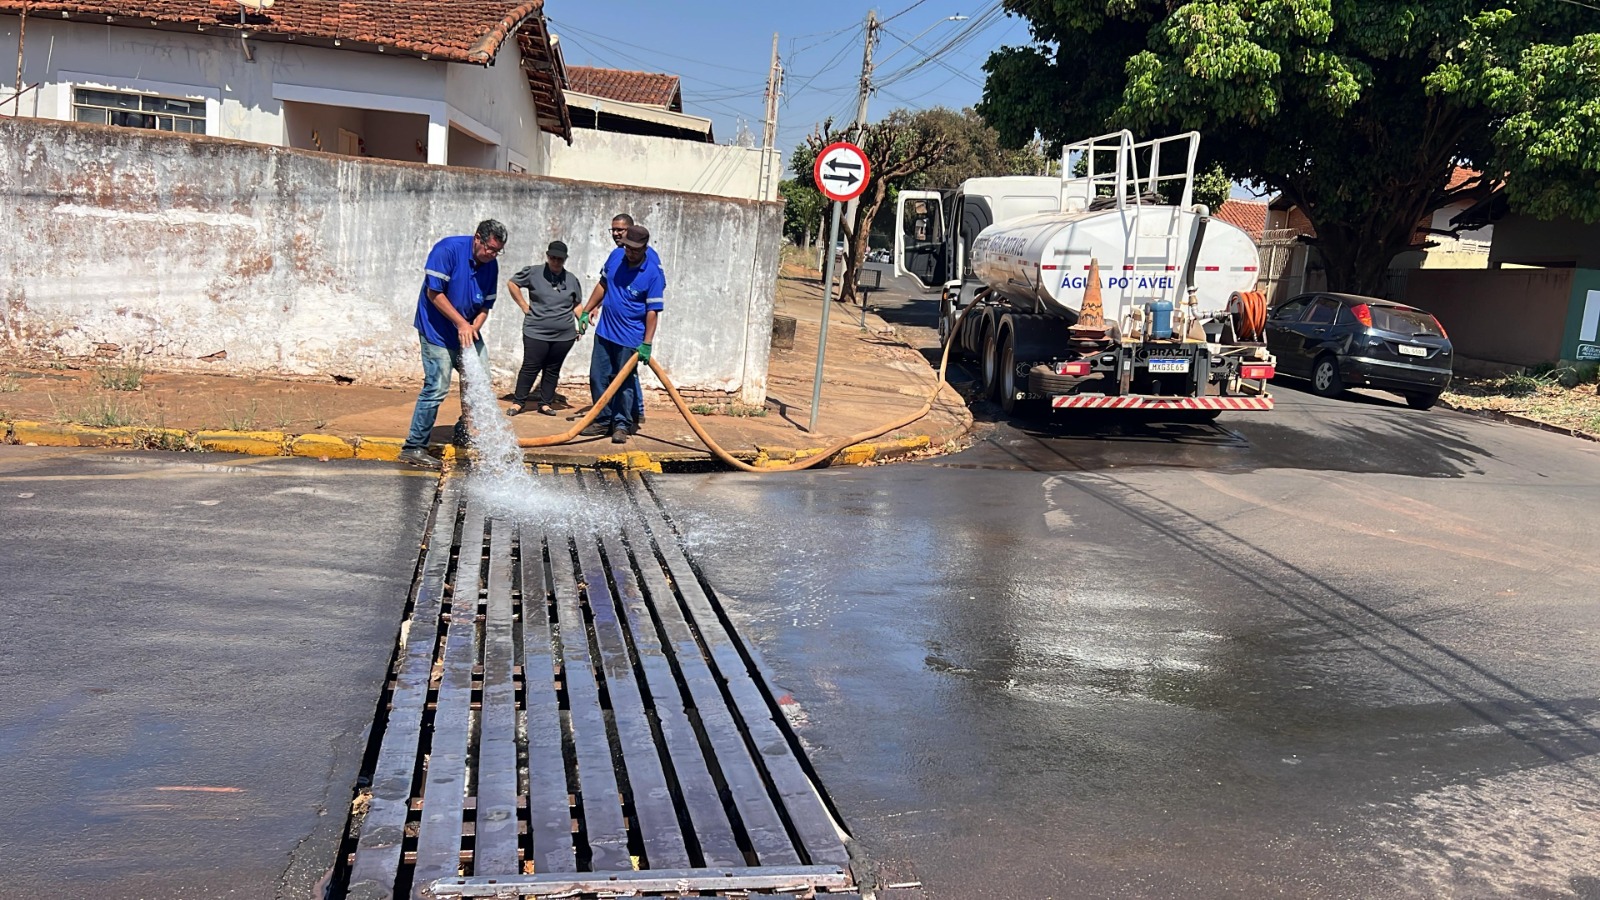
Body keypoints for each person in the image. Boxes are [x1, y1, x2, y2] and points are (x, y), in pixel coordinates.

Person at [398, 219, 506, 469]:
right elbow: (434, 294)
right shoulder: (447, 250)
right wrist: (461, 324)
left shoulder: (491, 265)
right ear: (477, 238)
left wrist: (473, 328)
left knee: (479, 381)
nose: (492, 254)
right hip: (437, 331)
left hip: (467, 330)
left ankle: (463, 429)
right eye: (489, 248)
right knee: (437, 386)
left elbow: (485, 306)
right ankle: (414, 446)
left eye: (497, 251)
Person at [576, 224, 664, 444]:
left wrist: (647, 343)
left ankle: (622, 424)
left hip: (630, 338)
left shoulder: (652, 273)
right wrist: (587, 310)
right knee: (598, 377)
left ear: (644, 248)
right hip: (605, 331)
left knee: (624, 383)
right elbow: (603, 285)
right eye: (627, 248)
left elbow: (652, 311)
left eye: (635, 249)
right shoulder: (616, 257)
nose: (630, 252)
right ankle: (603, 420)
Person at [505, 240, 582, 417]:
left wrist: (582, 320)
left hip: (564, 334)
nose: (556, 262)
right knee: (531, 366)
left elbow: (576, 304)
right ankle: (518, 402)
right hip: (536, 331)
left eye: (560, 259)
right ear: (547, 257)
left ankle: (546, 403)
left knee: (553, 369)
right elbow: (512, 283)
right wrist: (524, 306)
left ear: (565, 259)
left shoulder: (571, 279)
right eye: (553, 258)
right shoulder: (533, 272)